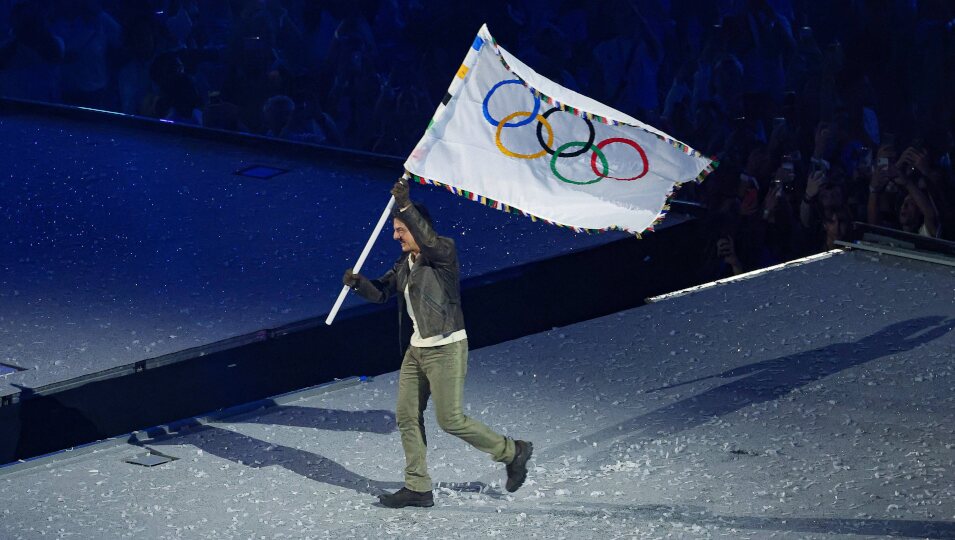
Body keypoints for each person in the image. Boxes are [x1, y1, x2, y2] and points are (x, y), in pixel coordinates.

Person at [342, 179, 533, 509]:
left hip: (446, 348)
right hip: (416, 351)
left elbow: (430, 242)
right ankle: (417, 486)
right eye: (396, 229)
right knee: (406, 416)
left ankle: (512, 451)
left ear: (418, 226)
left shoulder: (443, 252)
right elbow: (382, 292)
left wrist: (405, 206)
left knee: (450, 420)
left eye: (400, 229)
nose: (395, 235)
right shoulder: (405, 265)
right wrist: (360, 285)